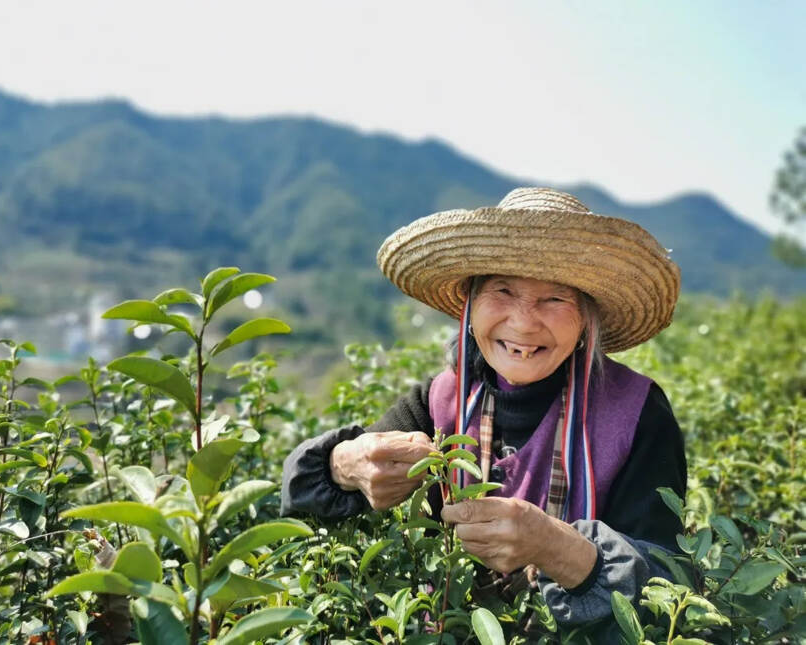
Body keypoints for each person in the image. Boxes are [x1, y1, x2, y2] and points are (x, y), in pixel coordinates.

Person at [281, 187, 687, 634]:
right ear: (470, 306)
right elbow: (302, 497)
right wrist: (345, 464)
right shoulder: (441, 402)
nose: (523, 321)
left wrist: (556, 547)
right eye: (503, 290)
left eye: (555, 299)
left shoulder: (635, 413)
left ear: (587, 320)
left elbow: (669, 591)